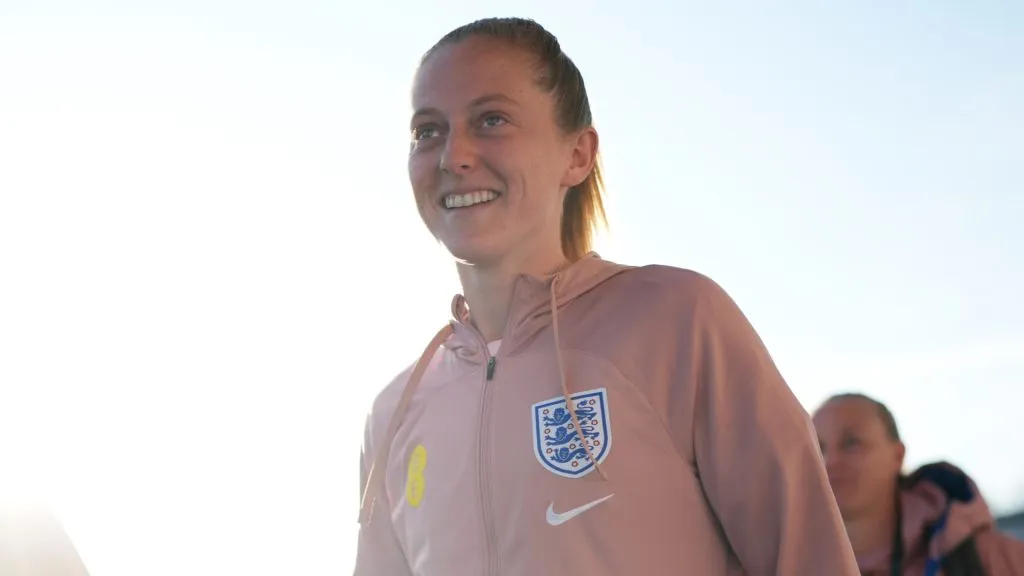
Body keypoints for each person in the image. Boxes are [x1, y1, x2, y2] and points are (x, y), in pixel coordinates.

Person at [354, 17, 859, 575]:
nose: (454, 156)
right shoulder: (395, 413)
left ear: (578, 154)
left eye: (491, 119)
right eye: (428, 130)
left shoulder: (675, 319)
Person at [812, 392, 1024, 575]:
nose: (830, 461)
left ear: (898, 455)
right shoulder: (789, 564)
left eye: (851, 442)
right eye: (818, 448)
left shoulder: (988, 560)